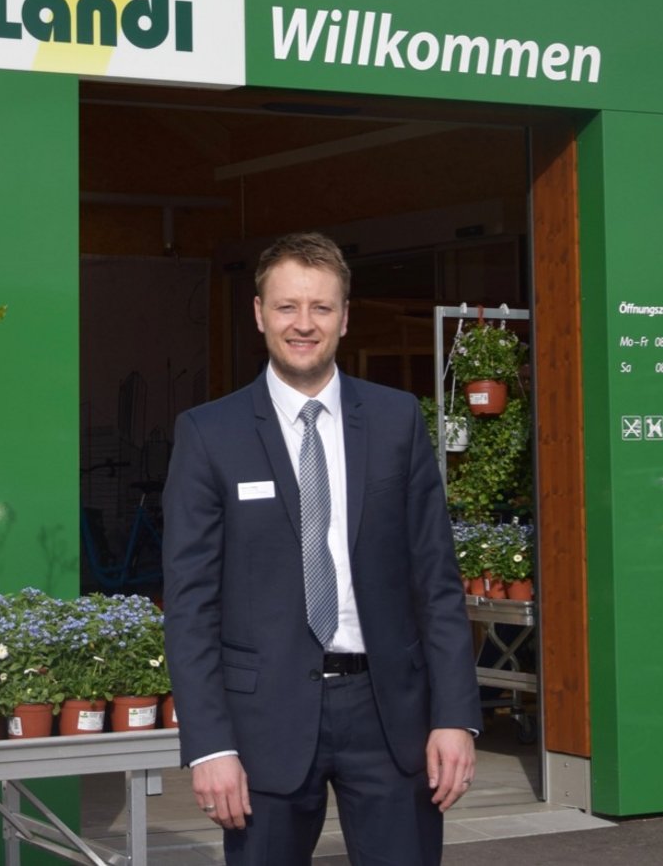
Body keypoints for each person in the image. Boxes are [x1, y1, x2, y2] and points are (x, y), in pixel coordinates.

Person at [162, 231, 481, 865]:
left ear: (343, 317)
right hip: (262, 725)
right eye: (286, 307)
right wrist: (209, 745)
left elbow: (436, 581)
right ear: (259, 314)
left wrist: (456, 717)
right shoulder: (209, 434)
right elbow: (191, 604)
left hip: (391, 717)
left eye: (320, 308)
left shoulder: (396, 422)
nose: (302, 325)